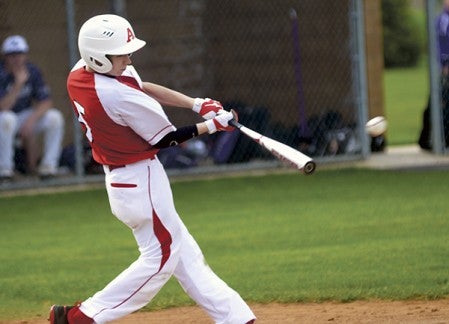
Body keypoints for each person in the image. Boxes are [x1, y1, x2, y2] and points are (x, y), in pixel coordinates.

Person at [49, 14, 256, 324]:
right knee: (160, 259)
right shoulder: (116, 95)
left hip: (129, 180)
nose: (129, 57)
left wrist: (197, 103)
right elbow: (168, 138)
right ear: (99, 57)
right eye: (122, 53)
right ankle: (83, 316)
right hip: (139, 182)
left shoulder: (79, 73)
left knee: (183, 253)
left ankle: (236, 317)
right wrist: (213, 125)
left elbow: (141, 84)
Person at [0, 35, 64, 181]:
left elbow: (46, 101)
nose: (17, 59)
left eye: (20, 54)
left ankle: (48, 168)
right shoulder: (1, 73)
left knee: (54, 117)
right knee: (7, 119)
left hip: (24, 117)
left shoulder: (32, 70)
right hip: (4, 117)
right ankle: (5, 171)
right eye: (12, 55)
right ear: (5, 57)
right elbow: (4, 107)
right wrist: (18, 84)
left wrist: (31, 121)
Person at [419, 0, 449, 150]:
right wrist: (444, 64)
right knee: (437, 102)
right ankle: (427, 139)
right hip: (445, 68)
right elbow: (440, 45)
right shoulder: (443, 20)